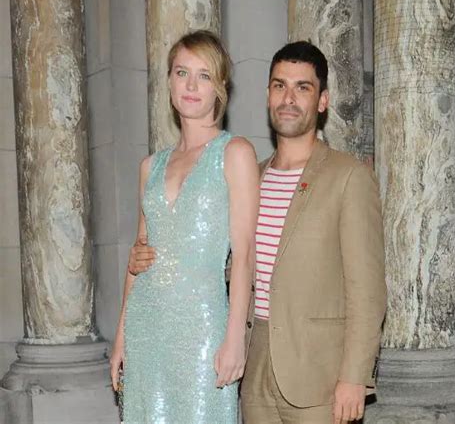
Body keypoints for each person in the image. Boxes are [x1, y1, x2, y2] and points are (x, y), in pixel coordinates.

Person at [128, 41, 387, 424]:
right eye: (280, 86)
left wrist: (354, 377)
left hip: (319, 372)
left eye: (303, 87)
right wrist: (148, 256)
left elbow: (368, 290)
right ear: (267, 96)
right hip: (254, 362)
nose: (289, 98)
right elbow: (225, 255)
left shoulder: (348, 176)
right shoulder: (250, 174)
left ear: (322, 101)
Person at [109, 30, 259, 424]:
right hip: (146, 327)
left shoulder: (235, 153)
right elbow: (139, 256)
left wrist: (235, 338)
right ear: (169, 82)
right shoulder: (150, 166)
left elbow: (245, 255)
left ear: (220, 87)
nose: (191, 86)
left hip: (203, 328)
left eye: (203, 75)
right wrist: (121, 336)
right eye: (182, 73)